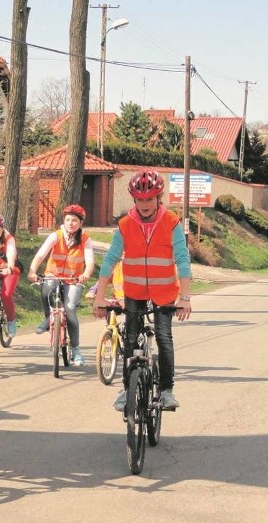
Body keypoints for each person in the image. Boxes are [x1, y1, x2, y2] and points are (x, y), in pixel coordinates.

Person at [92, 170, 192, 411]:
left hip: (165, 292)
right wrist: (99, 295)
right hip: (135, 291)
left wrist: (185, 297)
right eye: (140, 199)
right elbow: (111, 259)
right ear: (133, 199)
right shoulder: (125, 225)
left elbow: (182, 259)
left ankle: (167, 390)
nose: (144, 204)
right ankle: (127, 389)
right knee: (129, 337)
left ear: (159, 198)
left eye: (150, 199)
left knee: (163, 337)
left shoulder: (171, 223)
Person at [27, 204, 95, 366]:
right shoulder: (55, 236)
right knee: (46, 287)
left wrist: (86, 274)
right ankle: (47, 317)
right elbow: (40, 255)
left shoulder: (85, 239)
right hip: (53, 274)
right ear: (64, 221)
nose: (71, 223)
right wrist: (32, 271)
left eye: (74, 220)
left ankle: (76, 350)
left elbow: (90, 261)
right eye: (68, 220)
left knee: (70, 308)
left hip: (74, 279)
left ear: (80, 223)